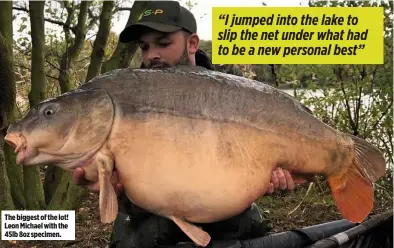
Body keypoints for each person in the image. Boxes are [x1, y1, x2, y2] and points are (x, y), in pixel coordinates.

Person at [72, 1, 299, 247]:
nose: (151, 55)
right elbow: (127, 199)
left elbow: (253, 159)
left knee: (246, 224)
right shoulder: (126, 101)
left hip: (221, 207)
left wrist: (274, 175)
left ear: (192, 43)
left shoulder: (233, 87)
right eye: (145, 46)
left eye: (163, 43)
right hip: (152, 216)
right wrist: (113, 189)